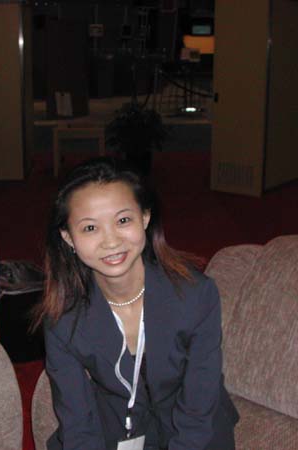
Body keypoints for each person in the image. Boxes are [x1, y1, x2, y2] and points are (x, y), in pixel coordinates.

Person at [32, 158, 239, 450]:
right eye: (90, 228)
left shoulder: (195, 295)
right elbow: (77, 421)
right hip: (116, 427)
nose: (111, 241)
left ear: (144, 218)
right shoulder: (62, 318)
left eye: (123, 221)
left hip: (193, 432)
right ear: (68, 238)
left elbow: (199, 401)